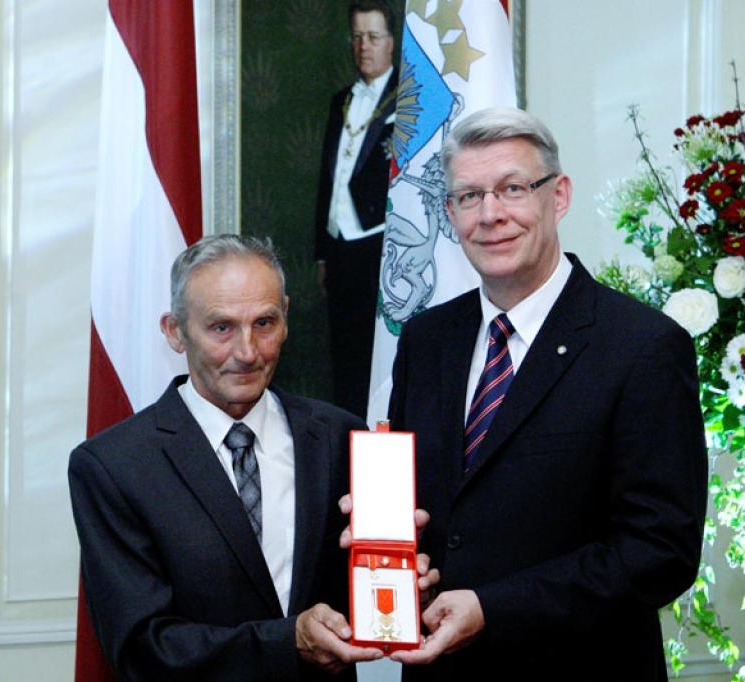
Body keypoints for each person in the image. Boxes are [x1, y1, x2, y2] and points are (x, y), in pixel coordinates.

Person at [385, 108, 708, 679]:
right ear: (450, 212)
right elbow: (426, 511)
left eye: (512, 189)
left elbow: (660, 551)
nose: (491, 215)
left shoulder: (643, 347)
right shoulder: (426, 340)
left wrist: (492, 609)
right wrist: (387, 546)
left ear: (557, 196)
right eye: (468, 196)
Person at [69, 235, 395, 681]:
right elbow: (140, 647)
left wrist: (408, 585)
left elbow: (373, 589)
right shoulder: (114, 466)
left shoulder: (343, 438)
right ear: (175, 331)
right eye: (222, 327)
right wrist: (287, 641)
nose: (247, 352)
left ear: (286, 320)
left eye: (264, 323)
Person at [314, 0, 398, 419]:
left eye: (373, 37)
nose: (364, 47)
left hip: (379, 242)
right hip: (341, 245)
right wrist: (323, 251)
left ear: (391, 43)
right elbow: (327, 180)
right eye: (357, 37)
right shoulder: (340, 100)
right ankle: (346, 433)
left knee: (375, 352)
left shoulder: (409, 101)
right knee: (343, 351)